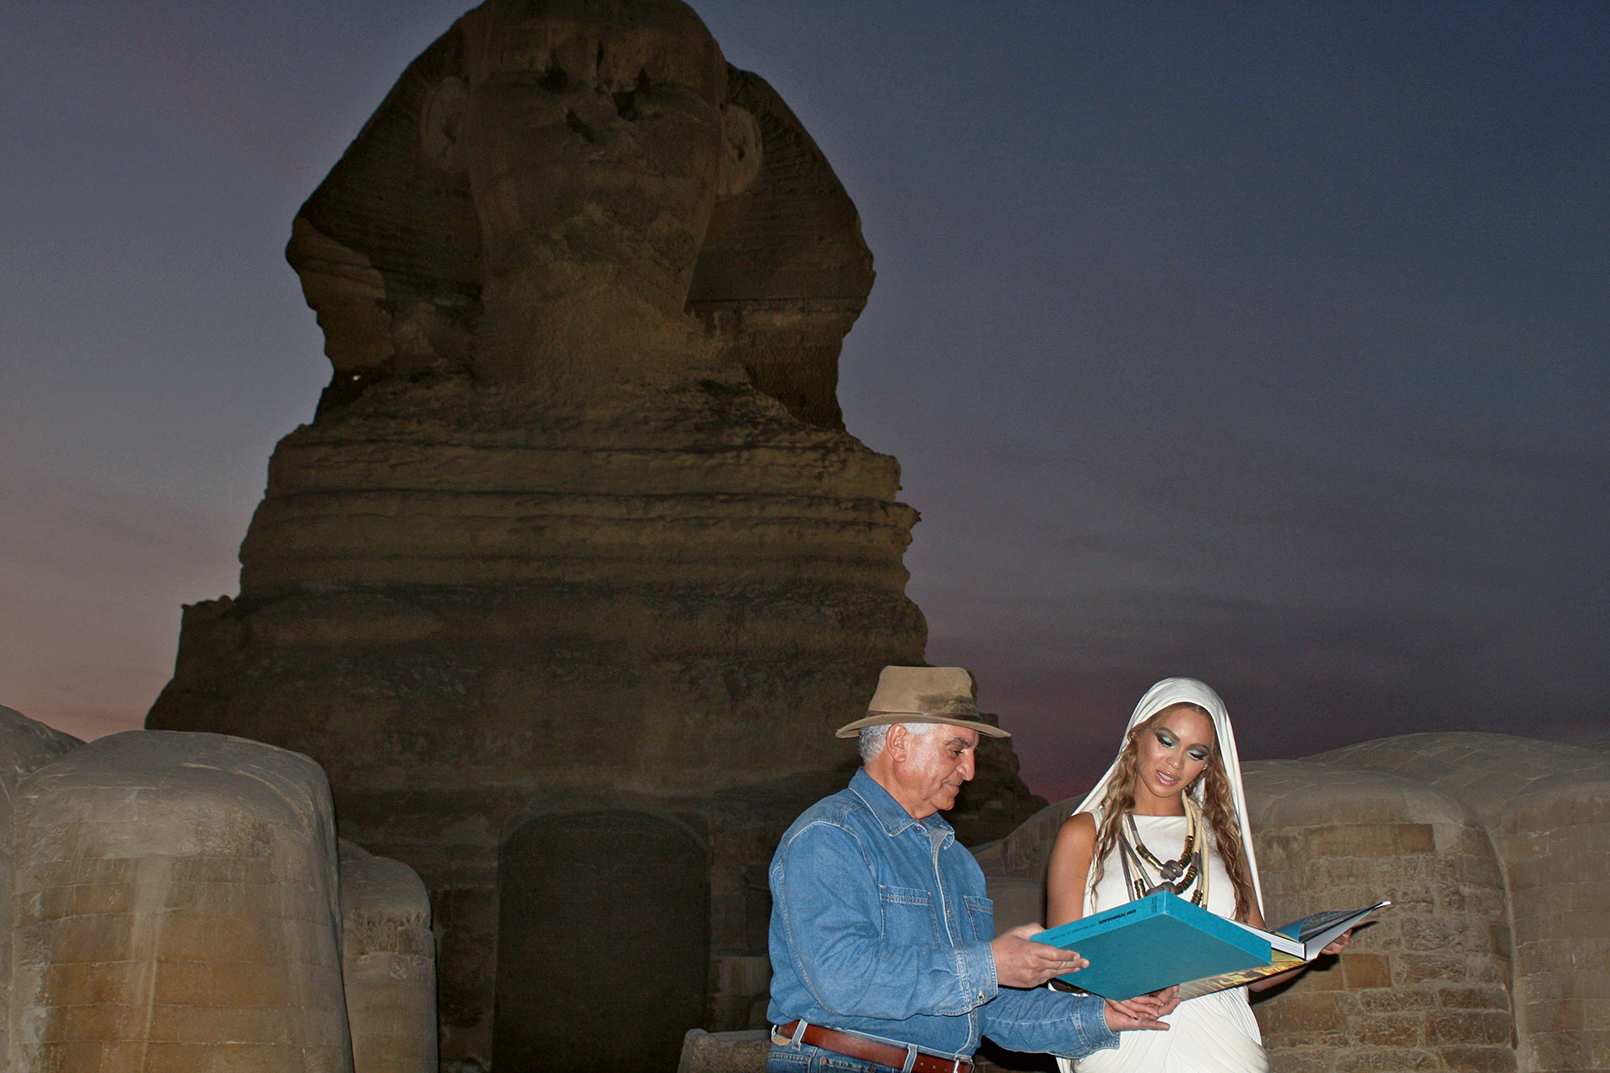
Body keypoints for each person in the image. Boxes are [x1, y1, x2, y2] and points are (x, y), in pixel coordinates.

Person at [767, 666, 1179, 1073]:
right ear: (898, 742)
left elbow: (987, 1010)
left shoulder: (956, 862)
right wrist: (990, 965)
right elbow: (842, 976)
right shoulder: (831, 835)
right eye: (957, 749)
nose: (970, 770)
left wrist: (1103, 1016)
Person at [1044, 678, 1351, 1073]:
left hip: (1223, 1041)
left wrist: (1311, 948)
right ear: (1137, 735)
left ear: (1208, 763)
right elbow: (1061, 962)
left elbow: (1255, 973)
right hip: (1126, 1038)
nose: (1176, 764)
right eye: (1166, 741)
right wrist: (1116, 990)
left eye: (1196, 753)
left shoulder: (1220, 839)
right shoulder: (1084, 833)